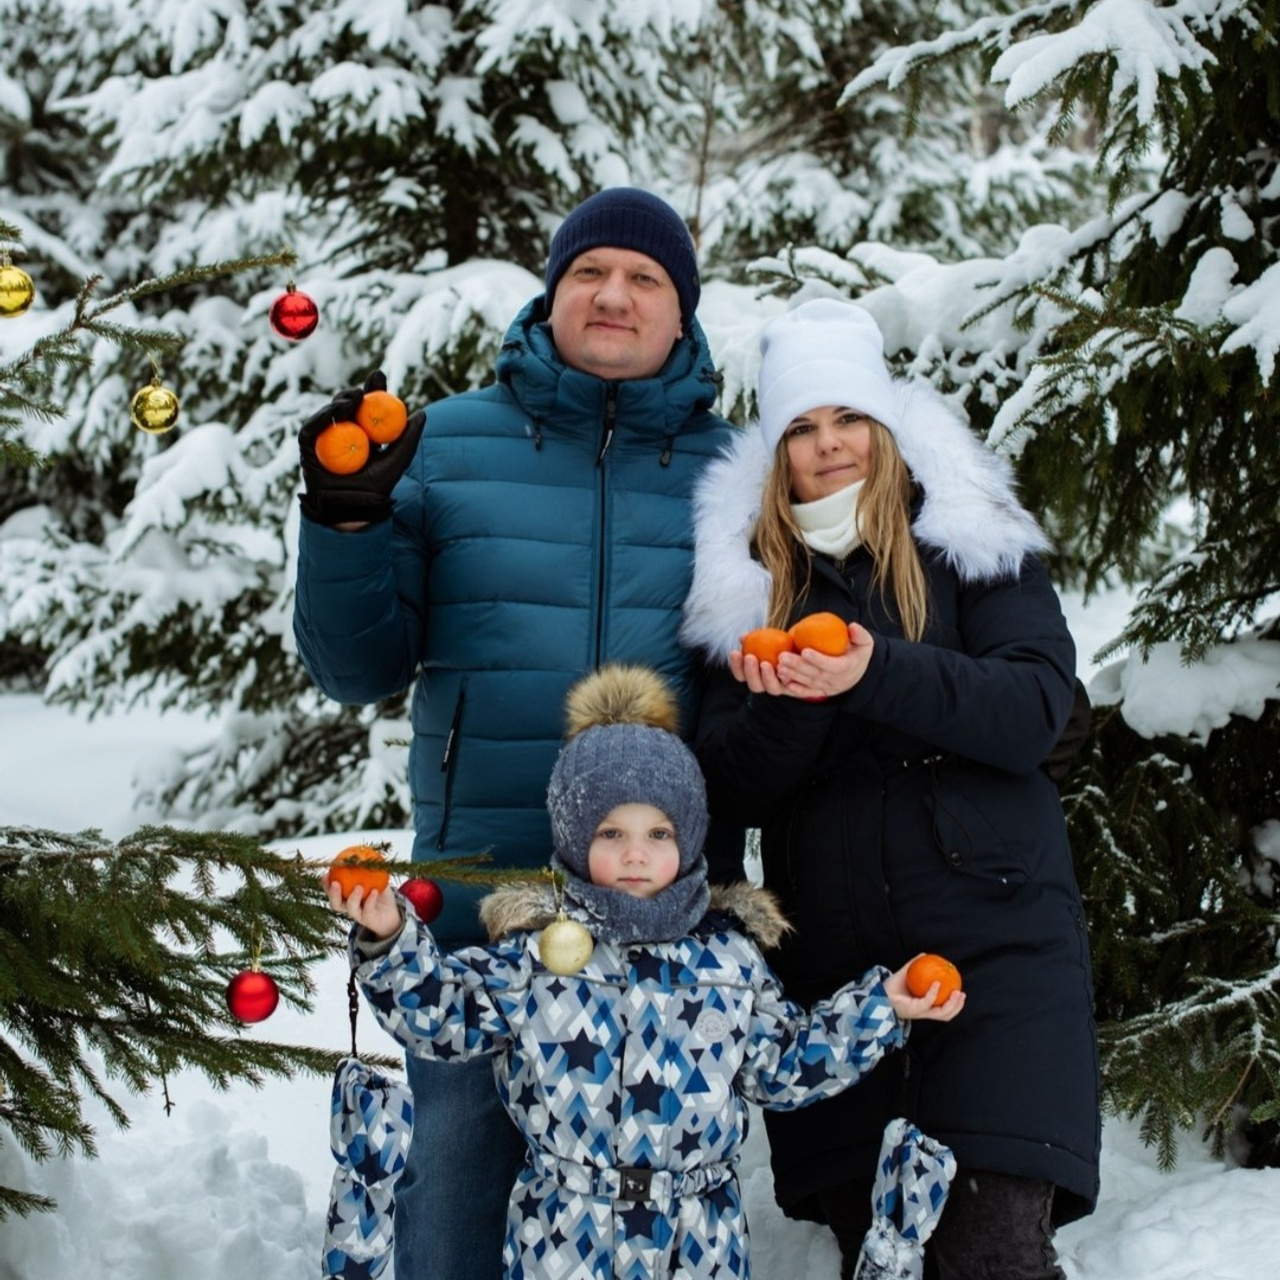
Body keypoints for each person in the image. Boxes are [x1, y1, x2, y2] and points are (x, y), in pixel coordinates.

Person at [292, 188, 739, 1280]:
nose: (614, 294)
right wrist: (345, 518)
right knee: (452, 1174)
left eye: (645, 278)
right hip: (474, 888)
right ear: (553, 293)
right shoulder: (444, 443)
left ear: (680, 312)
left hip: (654, 908)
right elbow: (353, 668)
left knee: (635, 1202)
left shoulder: (735, 469)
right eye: (590, 271)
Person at [679, 297, 1101, 1280]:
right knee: (882, 1257)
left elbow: (1036, 705)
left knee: (990, 1249)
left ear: (885, 427)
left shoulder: (968, 541)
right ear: (775, 453)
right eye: (801, 428)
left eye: (847, 419)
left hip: (995, 955)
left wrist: (875, 669)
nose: (828, 445)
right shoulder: (742, 586)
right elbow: (718, 787)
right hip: (831, 984)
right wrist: (792, 702)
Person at [329, 664, 964, 1280]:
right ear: (576, 839)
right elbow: (443, 1017)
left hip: (697, 1241)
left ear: (688, 838)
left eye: (659, 833)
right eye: (611, 832)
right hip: (563, 1235)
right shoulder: (538, 955)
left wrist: (882, 1004)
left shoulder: (729, 961)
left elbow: (784, 1064)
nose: (636, 853)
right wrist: (389, 936)